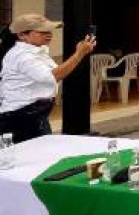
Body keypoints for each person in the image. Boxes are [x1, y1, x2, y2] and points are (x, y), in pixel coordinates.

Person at [0, 15, 95, 143]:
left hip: (35, 115)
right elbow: (54, 76)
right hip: (20, 118)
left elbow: (58, 72)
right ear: (22, 35)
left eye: (49, 30)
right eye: (42, 32)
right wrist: (79, 53)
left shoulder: (38, 51)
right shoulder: (22, 56)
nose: (49, 34)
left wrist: (79, 52)